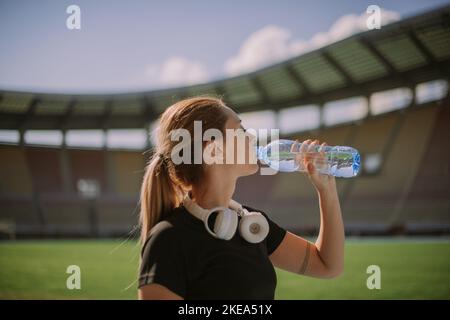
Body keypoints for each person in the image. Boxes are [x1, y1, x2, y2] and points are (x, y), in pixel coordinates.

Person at [138, 96, 344, 300]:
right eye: (240, 130)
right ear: (214, 149)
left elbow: (328, 265)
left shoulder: (252, 225)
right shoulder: (169, 239)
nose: (252, 138)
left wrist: (326, 189)